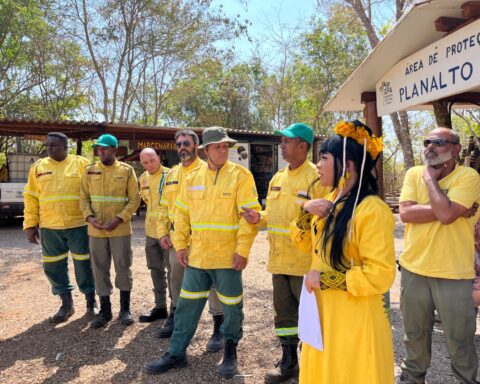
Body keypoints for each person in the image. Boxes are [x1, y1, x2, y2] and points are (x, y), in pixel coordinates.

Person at [145, 127, 261, 378]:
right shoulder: (192, 178)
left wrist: (242, 251)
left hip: (227, 259)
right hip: (197, 259)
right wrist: (181, 245)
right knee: (186, 306)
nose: (223, 150)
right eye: (218, 146)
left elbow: (248, 219)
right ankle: (176, 353)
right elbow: (182, 214)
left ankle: (230, 351)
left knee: (232, 308)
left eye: (225, 146)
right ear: (205, 150)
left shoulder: (241, 176)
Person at [290, 120, 396, 384]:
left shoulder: (372, 210)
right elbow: (304, 243)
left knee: (351, 372)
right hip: (324, 313)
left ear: (347, 166)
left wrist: (325, 280)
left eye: (323, 157)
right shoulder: (331, 201)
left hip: (354, 317)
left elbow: (381, 274)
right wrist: (306, 212)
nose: (317, 165)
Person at [241, 123, 328, 383]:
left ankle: (318, 368)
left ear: (303, 146)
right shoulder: (278, 177)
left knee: (313, 320)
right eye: (281, 141)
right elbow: (275, 216)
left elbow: (327, 218)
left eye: (287, 141)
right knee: (285, 317)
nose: (282, 145)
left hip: (305, 265)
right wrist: (259, 216)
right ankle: (290, 362)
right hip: (278, 262)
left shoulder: (317, 177)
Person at [396, 127, 480, 384]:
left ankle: (466, 379)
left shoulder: (469, 176)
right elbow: (406, 214)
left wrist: (431, 181)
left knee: (460, 338)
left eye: (439, 142)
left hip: (454, 273)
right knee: (414, 333)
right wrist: (452, 208)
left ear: (455, 149)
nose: (430, 146)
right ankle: (412, 376)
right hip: (414, 270)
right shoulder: (412, 173)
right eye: (427, 142)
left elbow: (445, 216)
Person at [156, 129, 224, 352]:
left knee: (212, 284)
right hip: (178, 240)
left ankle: (218, 327)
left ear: (197, 146)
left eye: (186, 143)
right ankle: (176, 318)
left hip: (204, 240)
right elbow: (163, 207)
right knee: (176, 280)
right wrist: (163, 232)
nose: (182, 147)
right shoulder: (172, 174)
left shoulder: (208, 171)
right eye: (179, 144)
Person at [23, 132, 96, 323]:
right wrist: (30, 224)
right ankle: (66, 304)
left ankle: (91, 303)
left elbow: (93, 191)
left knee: (85, 264)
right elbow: (30, 196)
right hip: (50, 226)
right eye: (48, 145)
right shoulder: (38, 167)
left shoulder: (81, 164)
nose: (49, 148)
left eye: (53, 145)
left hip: (79, 225)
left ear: (65, 147)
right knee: (54, 266)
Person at [79, 134, 140, 329]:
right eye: (99, 148)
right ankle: (105, 310)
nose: (101, 151)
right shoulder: (89, 171)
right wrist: (89, 217)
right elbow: (83, 199)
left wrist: (119, 218)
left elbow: (134, 199)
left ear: (115, 150)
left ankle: (125, 309)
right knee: (99, 269)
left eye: (105, 148)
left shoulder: (127, 171)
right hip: (96, 230)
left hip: (120, 229)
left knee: (123, 266)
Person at [137, 148, 170, 323]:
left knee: (173, 272)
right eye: (145, 162)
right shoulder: (142, 179)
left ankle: (175, 310)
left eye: (152, 160)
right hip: (151, 233)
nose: (149, 165)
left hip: (168, 233)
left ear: (158, 158)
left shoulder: (172, 176)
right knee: (156, 270)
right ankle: (160, 307)